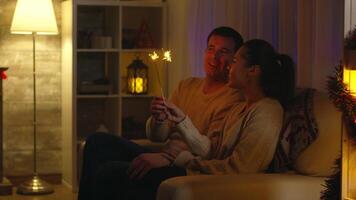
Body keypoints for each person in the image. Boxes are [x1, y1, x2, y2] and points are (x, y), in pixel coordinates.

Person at [78, 26, 244, 200]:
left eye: (223, 51)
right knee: (97, 141)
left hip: (183, 167)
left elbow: (210, 152)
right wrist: (159, 119)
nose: (214, 57)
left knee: (108, 171)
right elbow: (158, 137)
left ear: (235, 59)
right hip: (162, 155)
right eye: (211, 49)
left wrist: (168, 158)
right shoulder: (187, 86)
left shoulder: (234, 98)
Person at [162, 39, 295, 174]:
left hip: (216, 184)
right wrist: (182, 121)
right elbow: (213, 151)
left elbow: (240, 167)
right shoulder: (238, 109)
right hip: (198, 173)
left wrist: (186, 161)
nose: (228, 66)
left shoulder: (267, 112)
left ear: (253, 70)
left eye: (235, 61)